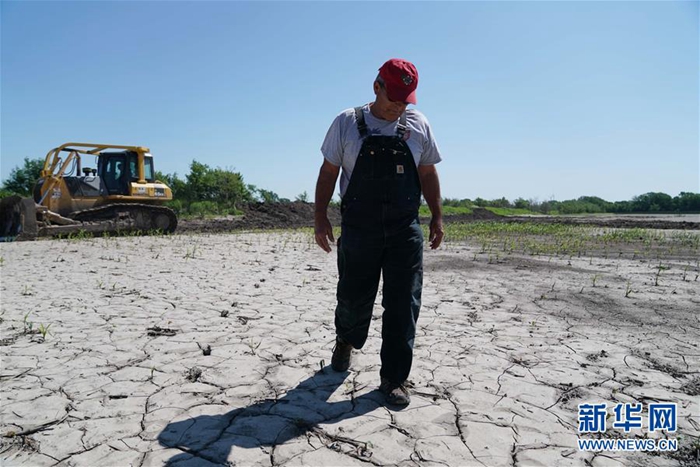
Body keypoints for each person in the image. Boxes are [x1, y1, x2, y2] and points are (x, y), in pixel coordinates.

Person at [314, 58, 444, 406]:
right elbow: (328, 172)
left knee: (404, 303)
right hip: (360, 227)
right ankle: (346, 340)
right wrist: (320, 216)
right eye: (393, 99)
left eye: (405, 101)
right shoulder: (346, 123)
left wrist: (437, 216)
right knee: (353, 297)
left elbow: (428, 173)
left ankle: (394, 378)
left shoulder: (418, 125)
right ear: (376, 87)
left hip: (404, 228)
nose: (399, 107)